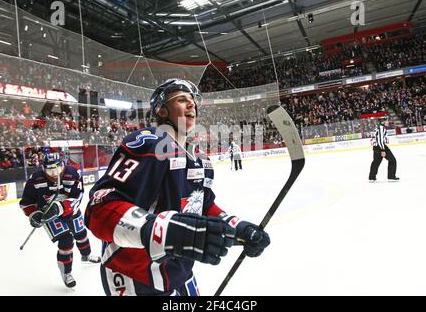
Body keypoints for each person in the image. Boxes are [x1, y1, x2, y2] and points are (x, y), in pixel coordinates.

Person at [85, 78, 270, 296]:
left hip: (179, 273)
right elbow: (99, 209)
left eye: (192, 100)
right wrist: (163, 231)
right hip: (135, 276)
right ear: (162, 111)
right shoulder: (150, 143)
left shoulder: (200, 159)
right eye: (182, 100)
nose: (192, 104)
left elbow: (202, 205)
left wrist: (238, 228)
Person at [20, 153, 101, 288]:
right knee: (66, 241)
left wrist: (62, 207)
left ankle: (86, 255)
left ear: (63, 165)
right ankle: (66, 273)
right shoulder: (35, 179)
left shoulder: (73, 174)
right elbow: (26, 202)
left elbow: (78, 196)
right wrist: (33, 214)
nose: (53, 173)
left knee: (81, 234)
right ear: (43, 168)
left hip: (71, 211)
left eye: (56, 169)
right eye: (49, 170)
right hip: (49, 216)